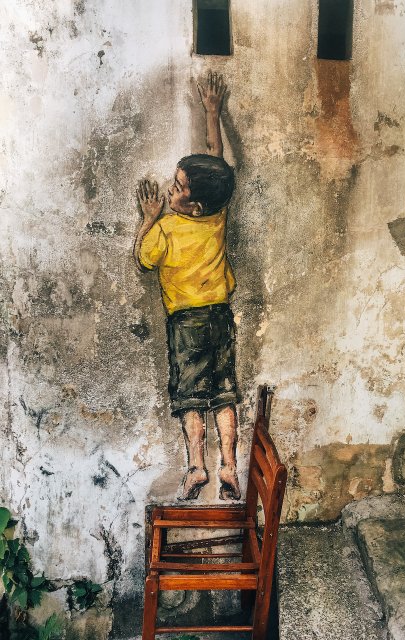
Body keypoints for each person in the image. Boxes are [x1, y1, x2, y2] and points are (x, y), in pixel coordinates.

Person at [133, 72, 240, 501]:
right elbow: (217, 162)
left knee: (191, 397)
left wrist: (148, 217)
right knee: (225, 391)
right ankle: (230, 465)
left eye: (177, 188)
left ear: (190, 203)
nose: (171, 189)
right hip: (220, 315)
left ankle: (197, 466)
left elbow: (144, 258)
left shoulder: (168, 226)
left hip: (186, 323)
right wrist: (212, 112)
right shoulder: (216, 215)